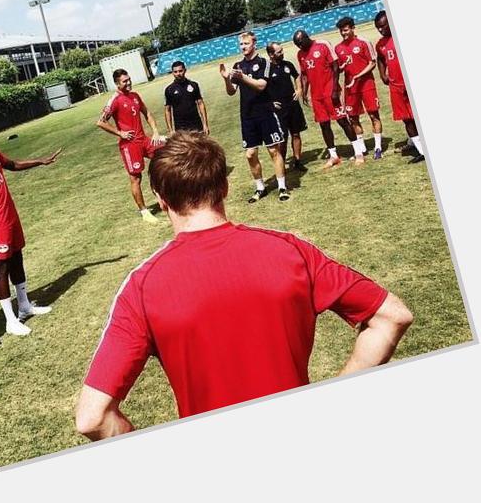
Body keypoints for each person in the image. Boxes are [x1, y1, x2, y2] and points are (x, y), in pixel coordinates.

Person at [75, 133, 413, 439]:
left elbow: (92, 418)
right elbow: (392, 316)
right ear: (224, 187)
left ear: (160, 198)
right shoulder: (290, 251)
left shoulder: (141, 287)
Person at [0, 126, 61, 336]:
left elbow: (12, 164)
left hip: (10, 215)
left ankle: (24, 306)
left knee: (17, 259)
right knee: (2, 268)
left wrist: (39, 161)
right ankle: (10, 320)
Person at [220, 31, 289, 202]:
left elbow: (261, 86)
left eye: (246, 43)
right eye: (241, 44)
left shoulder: (263, 63)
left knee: (274, 150)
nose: (243, 47)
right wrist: (227, 79)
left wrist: (242, 77)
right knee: (250, 154)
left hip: (265, 113)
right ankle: (260, 188)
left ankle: (282, 187)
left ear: (254, 44)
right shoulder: (238, 65)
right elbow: (231, 92)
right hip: (248, 116)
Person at [96, 69, 165, 223]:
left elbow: (147, 113)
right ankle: (144, 211)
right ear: (117, 83)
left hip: (144, 139)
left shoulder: (135, 96)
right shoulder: (115, 100)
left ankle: (158, 191)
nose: (128, 83)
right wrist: (120, 133)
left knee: (164, 156)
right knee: (135, 178)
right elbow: (100, 122)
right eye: (124, 81)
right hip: (129, 145)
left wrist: (155, 132)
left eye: (129, 79)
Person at [293, 29, 364, 169]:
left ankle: (358, 152)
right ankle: (334, 156)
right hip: (317, 95)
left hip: (330, 91)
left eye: (301, 43)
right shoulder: (300, 54)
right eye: (297, 45)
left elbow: (336, 66)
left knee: (342, 120)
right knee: (324, 125)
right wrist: (305, 92)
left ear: (306, 37)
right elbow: (305, 74)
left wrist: (334, 89)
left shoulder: (322, 45)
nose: (300, 47)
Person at [374, 10, 425, 163]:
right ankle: (421, 150)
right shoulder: (380, 44)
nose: (381, 30)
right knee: (407, 119)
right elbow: (381, 59)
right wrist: (383, 75)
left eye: (383, 26)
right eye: (378, 28)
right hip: (396, 86)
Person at [335, 16, 384, 160]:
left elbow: (372, 63)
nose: (344, 33)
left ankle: (378, 147)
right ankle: (361, 149)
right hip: (350, 87)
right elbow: (339, 69)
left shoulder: (363, 42)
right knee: (353, 118)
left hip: (367, 84)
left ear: (352, 28)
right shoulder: (338, 48)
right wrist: (342, 68)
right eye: (341, 31)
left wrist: (358, 75)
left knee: (373, 115)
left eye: (345, 30)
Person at [265, 42, 307, 170]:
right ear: (271, 54)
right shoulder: (266, 69)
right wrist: (270, 102)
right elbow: (261, 88)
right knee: (282, 138)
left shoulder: (287, 65)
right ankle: (281, 164)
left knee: (296, 133)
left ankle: (298, 161)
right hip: (278, 109)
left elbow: (297, 76)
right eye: (279, 52)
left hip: (293, 105)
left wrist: (299, 89)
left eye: (282, 50)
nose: (282, 53)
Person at [163, 60, 209, 135]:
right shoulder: (169, 89)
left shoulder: (194, 85)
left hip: (197, 125)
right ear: (172, 73)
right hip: (180, 128)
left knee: (200, 146)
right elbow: (167, 110)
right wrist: (170, 130)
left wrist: (205, 124)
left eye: (180, 71)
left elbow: (200, 104)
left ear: (185, 70)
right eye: (175, 72)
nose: (178, 74)